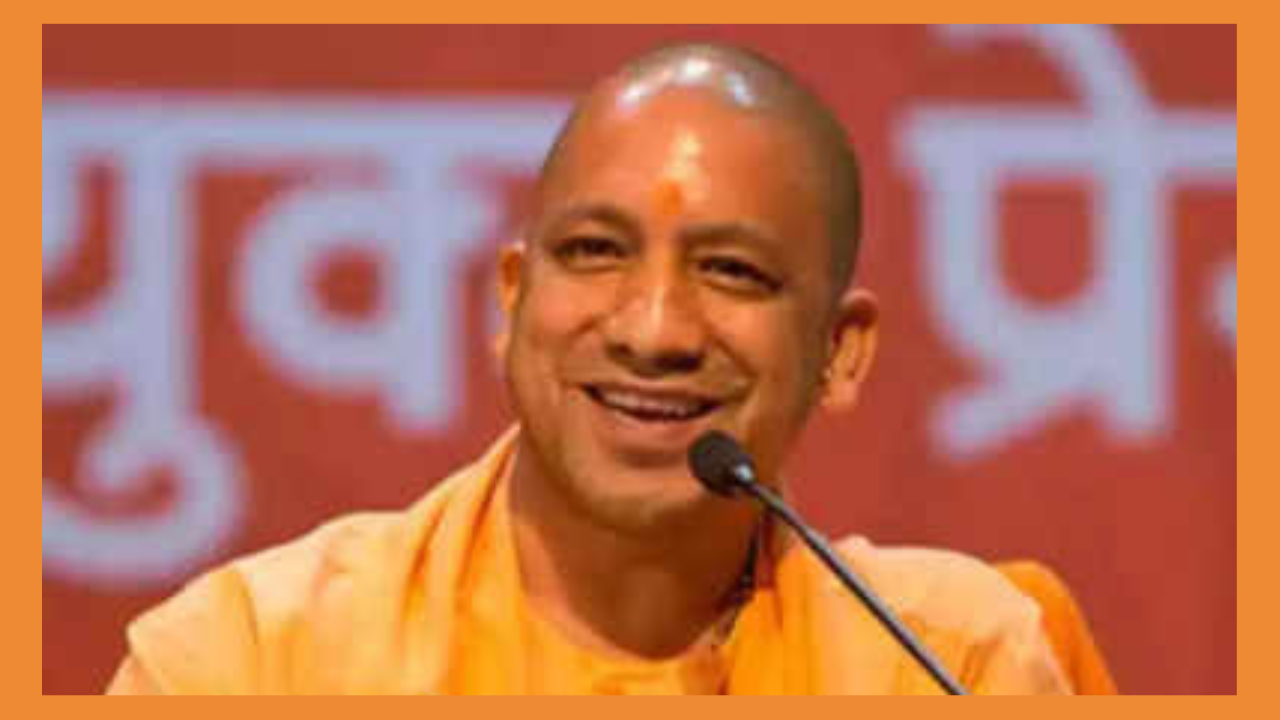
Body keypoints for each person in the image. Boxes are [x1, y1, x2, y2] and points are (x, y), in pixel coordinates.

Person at [107, 42, 1082, 695]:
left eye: (731, 270)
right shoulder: (250, 661)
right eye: (593, 252)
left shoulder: (946, 661)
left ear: (840, 351)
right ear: (511, 301)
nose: (652, 331)